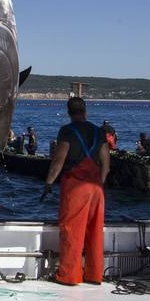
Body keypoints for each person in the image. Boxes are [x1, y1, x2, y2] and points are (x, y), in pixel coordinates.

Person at [42, 96, 109, 286]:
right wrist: (100, 183)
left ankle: (69, 276)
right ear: (85, 111)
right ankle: (94, 275)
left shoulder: (67, 131)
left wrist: (48, 183)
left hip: (76, 186)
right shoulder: (99, 132)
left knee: (72, 230)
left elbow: (58, 161)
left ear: (69, 112)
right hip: (96, 188)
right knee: (95, 231)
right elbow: (106, 163)